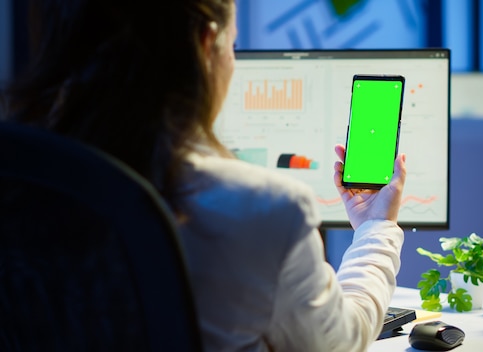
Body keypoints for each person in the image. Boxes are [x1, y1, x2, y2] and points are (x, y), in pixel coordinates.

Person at [2, 0, 407, 351]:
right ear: (205, 41)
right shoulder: (262, 207)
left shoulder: (20, 176)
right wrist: (375, 229)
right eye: (232, 46)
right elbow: (337, 344)